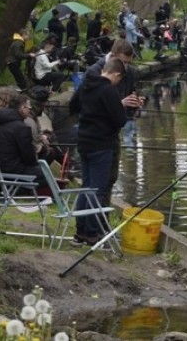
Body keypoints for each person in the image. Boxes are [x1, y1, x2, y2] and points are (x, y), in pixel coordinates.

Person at [68, 57, 128, 245]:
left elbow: (73, 106)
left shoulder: (86, 84)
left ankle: (81, 231)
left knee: (86, 187)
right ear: (116, 74)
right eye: (119, 80)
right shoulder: (108, 90)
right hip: (101, 145)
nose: (118, 83)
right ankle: (93, 233)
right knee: (97, 190)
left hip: (84, 142)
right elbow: (120, 120)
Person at [84, 39, 143, 208]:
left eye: (128, 63)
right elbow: (89, 106)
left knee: (111, 177)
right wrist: (120, 103)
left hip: (114, 132)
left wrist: (136, 103)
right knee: (96, 181)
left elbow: (129, 97)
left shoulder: (129, 72)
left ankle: (102, 218)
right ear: (113, 55)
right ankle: (92, 223)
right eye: (123, 62)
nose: (125, 67)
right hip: (95, 134)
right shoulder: (94, 72)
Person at [0, 93, 45, 193]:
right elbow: (29, 159)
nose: (30, 110)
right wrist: (36, 150)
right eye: (29, 107)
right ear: (22, 108)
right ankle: (10, 191)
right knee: (45, 174)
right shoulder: (21, 128)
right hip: (10, 171)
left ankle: (4, 189)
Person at [23, 86, 63, 165]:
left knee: (50, 138)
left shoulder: (31, 115)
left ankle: (65, 164)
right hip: (26, 161)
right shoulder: (29, 120)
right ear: (40, 104)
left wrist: (42, 136)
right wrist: (43, 143)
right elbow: (34, 147)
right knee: (51, 152)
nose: (45, 107)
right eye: (45, 103)